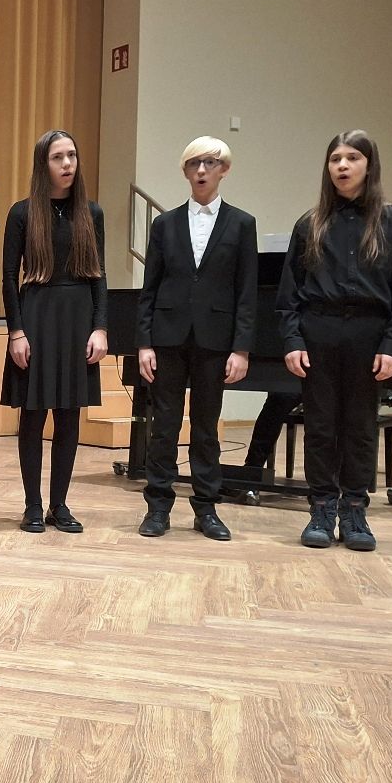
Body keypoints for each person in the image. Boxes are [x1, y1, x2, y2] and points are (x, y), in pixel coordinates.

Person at [277, 129, 392, 551]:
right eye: (335, 158)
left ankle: (355, 510)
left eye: (352, 158)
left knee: (360, 426)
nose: (342, 166)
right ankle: (321, 507)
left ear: (369, 165)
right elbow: (289, 293)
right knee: (320, 425)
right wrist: (292, 339)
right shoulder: (310, 223)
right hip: (319, 331)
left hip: (368, 334)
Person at [135, 137, 258, 540]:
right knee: (164, 426)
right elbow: (150, 287)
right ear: (185, 171)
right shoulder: (164, 224)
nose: (201, 170)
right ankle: (158, 507)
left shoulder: (242, 224)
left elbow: (246, 291)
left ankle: (206, 508)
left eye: (210, 163)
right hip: (168, 337)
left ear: (225, 169)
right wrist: (144, 342)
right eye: (193, 164)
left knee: (206, 428)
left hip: (215, 339)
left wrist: (241, 348)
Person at [0, 129, 107, 533]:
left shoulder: (91, 213)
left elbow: (99, 275)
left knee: (69, 417)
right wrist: (16, 332)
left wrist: (100, 327)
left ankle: (59, 505)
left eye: (72, 156)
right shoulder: (22, 213)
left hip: (78, 319)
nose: (67, 164)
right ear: (43, 164)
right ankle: (33, 505)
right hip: (37, 316)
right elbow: (9, 277)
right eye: (58, 157)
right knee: (33, 416)